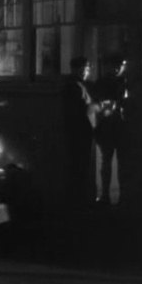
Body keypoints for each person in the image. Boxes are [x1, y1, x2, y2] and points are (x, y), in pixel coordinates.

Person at [93, 54, 129, 207]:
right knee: (118, 163)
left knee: (107, 162)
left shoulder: (102, 82)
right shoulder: (122, 82)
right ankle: (119, 196)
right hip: (117, 126)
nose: (119, 68)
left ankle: (106, 196)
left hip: (109, 126)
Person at [63, 56, 97, 211]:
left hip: (78, 131)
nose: (86, 72)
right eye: (84, 69)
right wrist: (98, 107)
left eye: (88, 69)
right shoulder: (75, 87)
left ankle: (78, 198)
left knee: (79, 165)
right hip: (80, 131)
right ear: (75, 69)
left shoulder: (77, 85)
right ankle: (80, 199)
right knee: (80, 165)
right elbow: (83, 109)